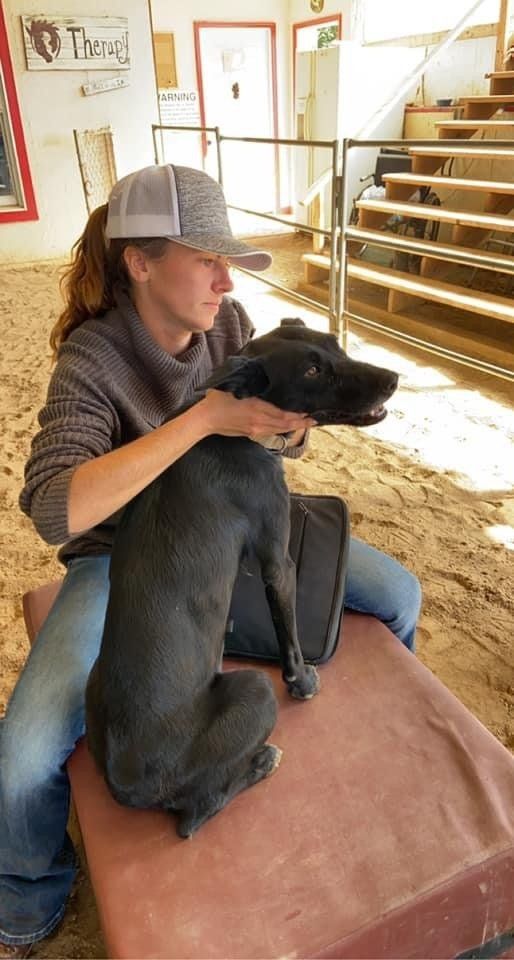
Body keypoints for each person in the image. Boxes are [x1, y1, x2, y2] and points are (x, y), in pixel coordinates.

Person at [0, 163, 422, 957]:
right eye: (207, 258)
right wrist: (201, 421)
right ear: (141, 262)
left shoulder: (228, 325)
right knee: (23, 752)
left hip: (233, 528)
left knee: (397, 595)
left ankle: (380, 774)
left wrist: (285, 429)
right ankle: (25, 899)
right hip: (127, 562)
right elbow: (52, 509)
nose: (226, 278)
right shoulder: (93, 362)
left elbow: (285, 438)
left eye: (229, 260)